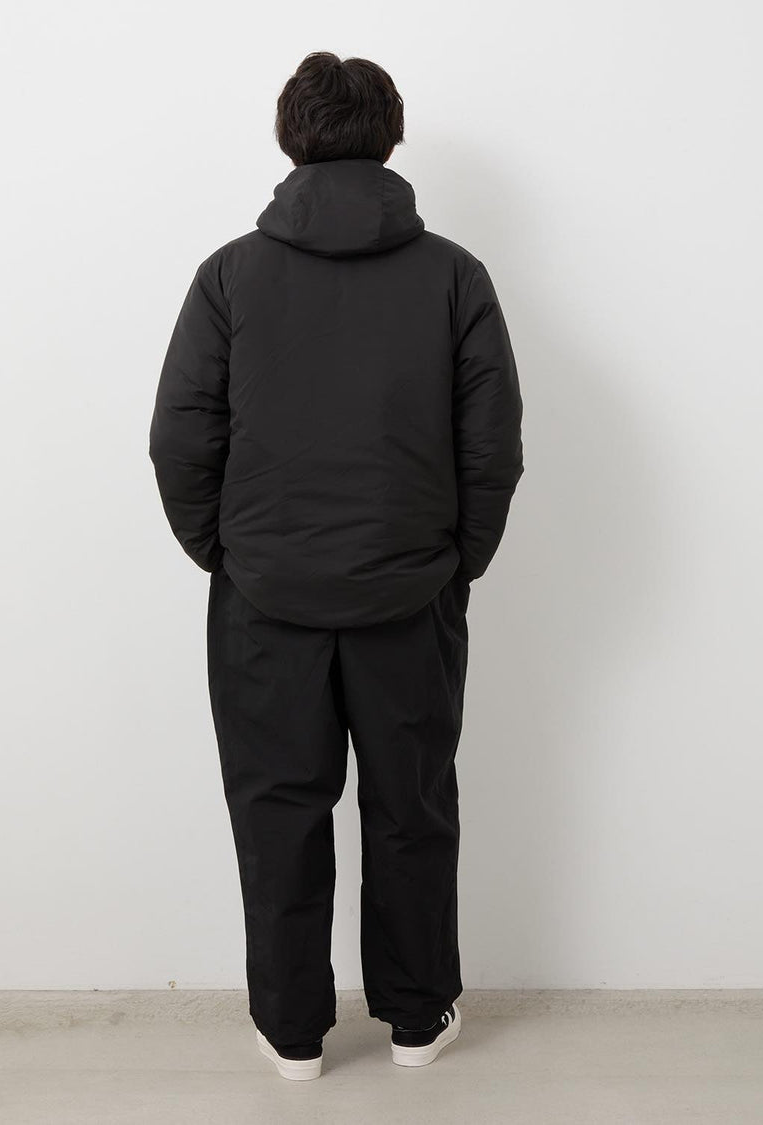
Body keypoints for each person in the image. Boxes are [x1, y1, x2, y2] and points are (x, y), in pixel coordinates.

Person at [149, 51, 524, 1081]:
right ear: (390, 135)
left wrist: (230, 555)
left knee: (277, 810)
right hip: (409, 593)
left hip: (266, 599)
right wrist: (453, 565)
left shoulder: (231, 275)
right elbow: (493, 447)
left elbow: (180, 438)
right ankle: (416, 1020)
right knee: (412, 809)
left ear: (291, 136)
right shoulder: (453, 275)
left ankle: (293, 1034)